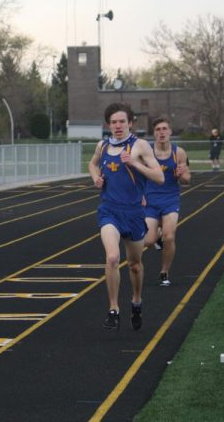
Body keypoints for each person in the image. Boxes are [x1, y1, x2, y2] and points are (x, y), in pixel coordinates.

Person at [88, 102, 163, 331]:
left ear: (130, 123)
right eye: (113, 122)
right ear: (108, 124)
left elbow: (159, 177)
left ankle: (136, 301)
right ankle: (113, 309)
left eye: (122, 121)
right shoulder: (102, 146)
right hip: (109, 210)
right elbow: (92, 164)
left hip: (133, 213)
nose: (118, 126)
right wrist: (95, 178)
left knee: (135, 265)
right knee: (112, 258)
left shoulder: (139, 146)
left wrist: (133, 163)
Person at [144, 116, 191, 287]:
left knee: (169, 236)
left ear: (170, 131)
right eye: (158, 130)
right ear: (153, 133)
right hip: (150, 200)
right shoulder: (147, 152)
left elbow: (187, 179)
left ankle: (164, 272)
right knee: (148, 241)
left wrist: (181, 175)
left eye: (164, 129)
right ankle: (156, 238)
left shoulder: (179, 152)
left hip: (170, 199)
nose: (161, 132)